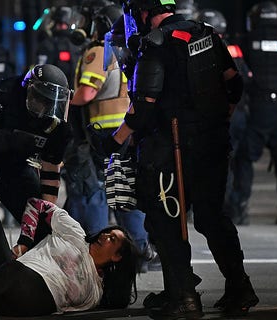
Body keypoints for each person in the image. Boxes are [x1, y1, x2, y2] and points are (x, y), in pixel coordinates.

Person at [102, 0, 258, 318]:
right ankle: (239, 288)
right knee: (211, 217)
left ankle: (184, 297)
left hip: (170, 149)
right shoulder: (207, 34)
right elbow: (235, 83)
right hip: (212, 146)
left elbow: (144, 106)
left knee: (165, 222)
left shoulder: (155, 43)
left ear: (143, 12)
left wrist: (113, 141)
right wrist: (215, 122)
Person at [0, 64, 73, 292]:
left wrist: (46, 210)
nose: (46, 107)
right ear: (28, 90)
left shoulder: (57, 123)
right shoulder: (0, 95)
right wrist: (8, 139)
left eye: (52, 101)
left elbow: (50, 168)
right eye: (41, 99)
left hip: (15, 166)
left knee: (43, 225)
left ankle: (39, 281)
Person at [0, 195, 139, 320]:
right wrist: (25, 241)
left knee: (12, 270)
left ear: (117, 257)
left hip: (35, 299)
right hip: (3, 287)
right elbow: (37, 204)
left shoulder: (96, 290)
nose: (105, 235)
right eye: (107, 232)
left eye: (112, 239)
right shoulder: (76, 234)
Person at [64, 3, 156, 272]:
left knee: (95, 192)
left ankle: (96, 251)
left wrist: (60, 99)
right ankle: (141, 251)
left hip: (104, 133)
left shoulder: (98, 51)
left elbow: (87, 94)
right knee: (125, 191)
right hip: (127, 128)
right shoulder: (129, 49)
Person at [229, 1, 277, 226]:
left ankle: (239, 210)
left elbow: (241, 74)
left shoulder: (247, 42)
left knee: (244, 160)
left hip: (256, 111)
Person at [193, 8, 254, 225]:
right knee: (236, 163)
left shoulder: (199, 50)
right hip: (237, 114)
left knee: (216, 165)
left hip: (215, 117)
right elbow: (245, 79)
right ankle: (237, 208)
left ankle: (220, 209)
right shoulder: (234, 49)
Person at [36, 5, 83, 89]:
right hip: (54, 91)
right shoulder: (48, 44)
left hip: (75, 92)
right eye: (60, 24)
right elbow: (40, 71)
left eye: (65, 24)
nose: (63, 27)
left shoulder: (79, 43)